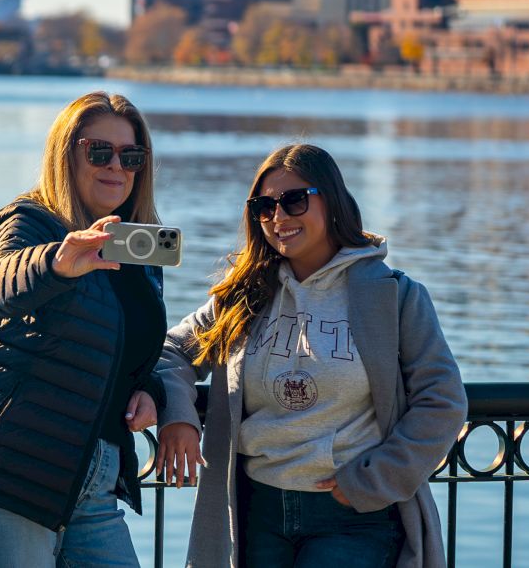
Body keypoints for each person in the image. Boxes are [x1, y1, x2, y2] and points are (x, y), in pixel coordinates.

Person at [153, 143, 466, 568]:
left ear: (331, 201)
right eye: (265, 206)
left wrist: (372, 480)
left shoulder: (394, 296)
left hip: (353, 517)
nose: (279, 217)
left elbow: (443, 401)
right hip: (254, 515)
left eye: (294, 201)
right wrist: (178, 417)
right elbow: (172, 351)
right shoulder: (244, 295)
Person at [0, 91, 169, 568]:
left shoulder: (134, 250)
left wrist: (152, 392)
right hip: (12, 476)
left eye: (130, 156)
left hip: (92, 479)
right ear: (66, 154)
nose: (115, 166)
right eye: (99, 151)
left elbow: (112, 352)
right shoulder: (28, 223)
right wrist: (57, 263)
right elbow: (0, 285)